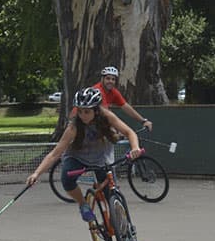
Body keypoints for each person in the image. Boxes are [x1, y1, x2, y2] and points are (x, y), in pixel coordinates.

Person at [28, 87, 141, 222]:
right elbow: (54, 154)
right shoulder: (74, 127)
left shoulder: (107, 117)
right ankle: (83, 204)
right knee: (67, 179)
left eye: (87, 112)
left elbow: (129, 132)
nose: (83, 115)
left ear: (96, 110)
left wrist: (135, 148)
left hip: (101, 158)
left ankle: (127, 234)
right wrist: (36, 173)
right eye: (80, 111)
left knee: (111, 195)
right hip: (77, 157)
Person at [93, 66, 153, 132]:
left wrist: (143, 121)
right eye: (108, 78)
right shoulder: (98, 90)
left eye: (113, 79)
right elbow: (106, 114)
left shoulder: (113, 92)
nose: (111, 81)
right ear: (102, 79)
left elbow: (125, 107)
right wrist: (116, 130)